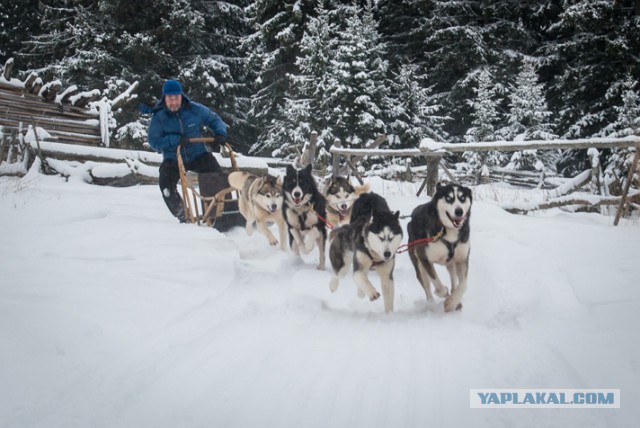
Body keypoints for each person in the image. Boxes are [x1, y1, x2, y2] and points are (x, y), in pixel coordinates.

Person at [146, 79, 228, 222]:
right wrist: (175, 140)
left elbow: (213, 119)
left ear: (181, 96)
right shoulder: (159, 117)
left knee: (216, 175)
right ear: (164, 98)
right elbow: (154, 141)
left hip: (198, 154)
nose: (173, 103)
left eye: (176, 98)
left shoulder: (194, 109)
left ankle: (220, 214)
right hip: (173, 158)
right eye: (170, 99)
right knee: (165, 184)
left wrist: (220, 133)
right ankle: (184, 215)